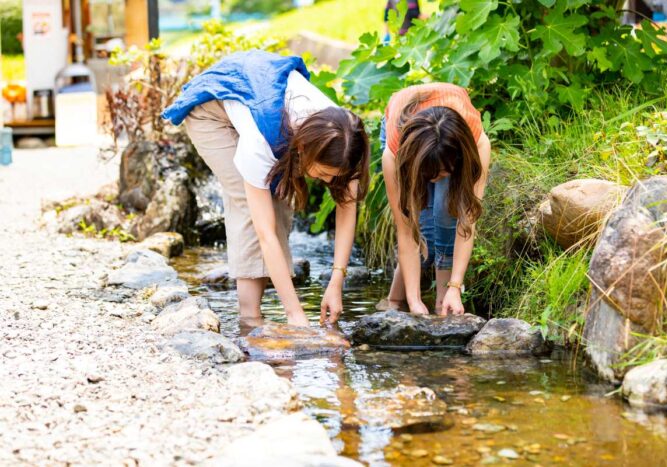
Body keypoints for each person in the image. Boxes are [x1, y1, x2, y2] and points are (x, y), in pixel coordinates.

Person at [162, 51, 370, 327]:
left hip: (256, 103)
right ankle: (250, 319)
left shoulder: (344, 139)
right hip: (211, 112)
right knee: (250, 208)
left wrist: (336, 282)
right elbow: (265, 232)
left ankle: (271, 309)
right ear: (304, 151)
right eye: (323, 175)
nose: (330, 183)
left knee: (281, 197)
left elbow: (346, 204)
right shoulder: (261, 140)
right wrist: (295, 315)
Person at [379, 83, 491, 316]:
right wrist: (414, 300)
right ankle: (395, 301)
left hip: (448, 134)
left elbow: (467, 222)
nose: (434, 181)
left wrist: (455, 287)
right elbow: (405, 229)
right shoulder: (394, 152)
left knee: (445, 213)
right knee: (422, 227)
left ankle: (443, 300)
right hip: (403, 133)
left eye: (441, 175)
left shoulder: (475, 144)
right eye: (429, 177)